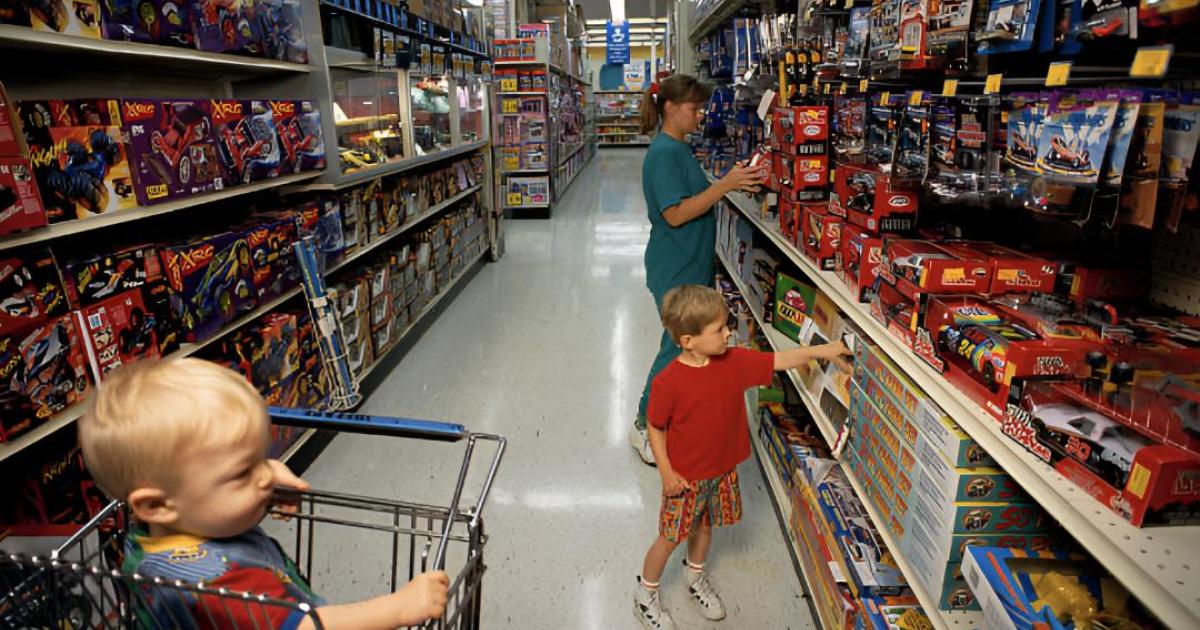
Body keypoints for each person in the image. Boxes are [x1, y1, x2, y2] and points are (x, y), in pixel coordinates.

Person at [78, 358, 450, 630]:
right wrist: (400, 607)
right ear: (156, 505)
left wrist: (262, 474)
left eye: (261, 457)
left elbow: (200, 493)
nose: (264, 475)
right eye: (243, 472)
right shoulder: (211, 584)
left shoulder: (165, 528)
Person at [633, 285, 851, 629]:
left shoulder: (733, 362)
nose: (728, 333)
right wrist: (666, 472)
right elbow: (655, 428)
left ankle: (694, 575)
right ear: (688, 340)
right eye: (719, 329)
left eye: (726, 325)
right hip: (685, 478)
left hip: (721, 470)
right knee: (670, 537)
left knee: (704, 526)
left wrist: (828, 349)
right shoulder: (668, 382)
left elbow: (780, 360)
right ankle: (645, 594)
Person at [630, 74, 769, 465]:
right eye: (694, 108)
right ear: (670, 107)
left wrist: (732, 182)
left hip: (689, 261)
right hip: (675, 266)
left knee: (681, 345)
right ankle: (643, 425)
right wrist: (725, 185)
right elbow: (675, 214)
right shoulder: (663, 154)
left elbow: (694, 195)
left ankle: (667, 417)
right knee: (676, 347)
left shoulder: (679, 148)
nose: (701, 115)